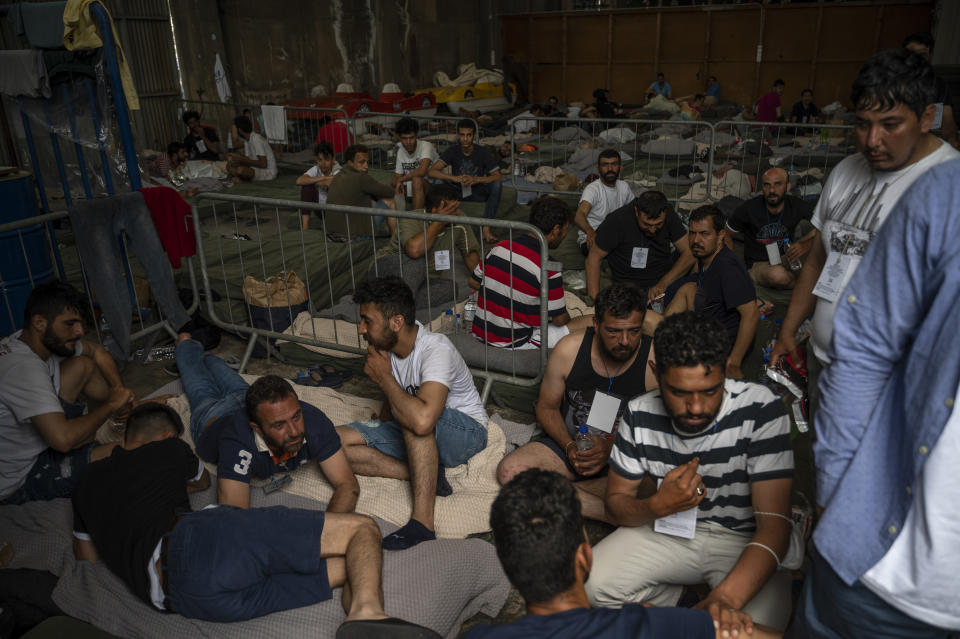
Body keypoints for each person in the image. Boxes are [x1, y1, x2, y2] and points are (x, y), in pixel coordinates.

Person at [70, 403, 438, 637]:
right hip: (195, 545)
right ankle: (367, 614)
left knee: (351, 565)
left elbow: (87, 558)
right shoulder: (169, 448)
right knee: (363, 529)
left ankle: (355, 623)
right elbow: (201, 480)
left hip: (179, 598)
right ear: (167, 436)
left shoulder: (84, 481)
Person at [787, 160, 960, 638]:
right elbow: (862, 348)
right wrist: (837, 490)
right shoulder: (946, 192)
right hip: (876, 568)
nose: (874, 141)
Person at [769, 48, 959, 418]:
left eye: (890, 125)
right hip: (826, 364)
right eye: (862, 124)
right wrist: (789, 330)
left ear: (927, 117)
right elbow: (819, 260)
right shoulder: (845, 171)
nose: (872, 140)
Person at [585, 311, 794, 632]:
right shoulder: (639, 414)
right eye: (680, 392)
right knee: (595, 586)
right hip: (669, 531)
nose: (696, 407)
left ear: (725, 370)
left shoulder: (761, 408)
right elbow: (616, 503)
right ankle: (685, 601)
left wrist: (724, 599)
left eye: (709, 391)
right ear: (657, 371)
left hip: (743, 539)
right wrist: (656, 505)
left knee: (752, 628)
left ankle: (698, 606)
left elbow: (775, 527)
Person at [464, 469, 769, 639]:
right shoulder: (646, 628)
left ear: (509, 566)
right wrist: (682, 622)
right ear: (585, 557)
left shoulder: (477, 637)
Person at [337, 277, 488, 550]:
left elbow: (421, 419)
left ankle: (422, 525)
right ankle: (425, 474)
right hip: (421, 431)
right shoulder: (387, 351)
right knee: (333, 444)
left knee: (414, 420)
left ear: (396, 322)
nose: (361, 329)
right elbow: (393, 404)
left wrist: (384, 379)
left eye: (367, 321)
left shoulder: (436, 348)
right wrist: (379, 426)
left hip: (466, 432)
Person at [496, 284, 657, 522]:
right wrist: (569, 446)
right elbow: (546, 407)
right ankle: (610, 511)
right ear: (596, 324)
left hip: (624, 458)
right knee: (510, 472)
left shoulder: (654, 361)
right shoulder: (569, 350)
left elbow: (660, 434)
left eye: (634, 331)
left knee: (659, 482)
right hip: (571, 448)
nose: (624, 341)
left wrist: (612, 448)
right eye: (613, 331)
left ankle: (557, 497)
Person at [172, 332, 359, 511]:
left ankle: (206, 355)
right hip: (212, 415)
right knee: (195, 375)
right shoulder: (238, 443)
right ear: (257, 429)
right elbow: (233, 515)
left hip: (246, 398)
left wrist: (330, 533)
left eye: (296, 417)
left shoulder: (311, 418)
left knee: (215, 363)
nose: (294, 431)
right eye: (279, 425)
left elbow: (347, 484)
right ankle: (185, 343)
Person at [0, 281, 135, 505]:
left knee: (82, 364)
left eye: (80, 324)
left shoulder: (26, 340)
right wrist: (111, 405)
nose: (80, 331)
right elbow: (62, 441)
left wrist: (121, 392)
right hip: (21, 478)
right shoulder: (23, 369)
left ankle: (93, 429)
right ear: (40, 322)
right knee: (134, 449)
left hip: (40, 441)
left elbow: (97, 351)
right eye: (70, 324)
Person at [470, 196, 591, 349]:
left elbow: (473, 282)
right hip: (514, 342)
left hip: (480, 332)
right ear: (555, 230)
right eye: (566, 229)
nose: (565, 234)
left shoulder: (500, 247)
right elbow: (560, 320)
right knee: (590, 320)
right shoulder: (549, 267)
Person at [659, 206, 758, 379]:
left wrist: (734, 362)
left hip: (717, 345)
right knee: (688, 289)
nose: (696, 240)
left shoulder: (727, 267)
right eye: (692, 233)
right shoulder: (706, 258)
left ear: (720, 236)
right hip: (708, 323)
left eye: (704, 234)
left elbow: (752, 314)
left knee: (648, 321)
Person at [586, 191, 694, 303]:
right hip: (630, 287)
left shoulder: (669, 214)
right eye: (647, 224)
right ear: (637, 211)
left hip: (663, 280)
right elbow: (593, 259)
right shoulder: (617, 220)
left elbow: (689, 252)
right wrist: (594, 303)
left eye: (658, 224)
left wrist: (662, 284)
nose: (652, 230)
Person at [726, 167, 816, 289]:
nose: (772, 190)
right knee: (778, 275)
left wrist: (807, 244)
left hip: (787, 257)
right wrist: (732, 266)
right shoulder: (748, 208)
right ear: (762, 187)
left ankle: (802, 280)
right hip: (759, 264)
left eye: (777, 184)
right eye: (767, 185)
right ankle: (804, 284)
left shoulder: (796, 205)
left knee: (818, 237)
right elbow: (725, 234)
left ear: (787, 187)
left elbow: (825, 226)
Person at [429, 119, 503, 244]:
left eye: (469, 135)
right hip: (457, 191)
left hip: (477, 190)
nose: (465, 139)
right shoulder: (453, 150)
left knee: (496, 185)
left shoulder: (483, 151)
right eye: (462, 135)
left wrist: (476, 179)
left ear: (474, 135)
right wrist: (454, 178)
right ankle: (437, 225)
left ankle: (486, 228)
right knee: (438, 183)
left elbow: (498, 176)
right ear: (458, 135)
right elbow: (432, 171)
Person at [387, 182, 481, 277]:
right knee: (414, 270)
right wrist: (439, 222)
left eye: (456, 208)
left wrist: (482, 281)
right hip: (394, 269)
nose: (456, 213)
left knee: (449, 288)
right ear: (434, 210)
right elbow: (414, 251)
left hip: (428, 278)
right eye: (451, 209)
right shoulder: (411, 218)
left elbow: (469, 254)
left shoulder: (459, 218)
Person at [327, 144, 397, 236]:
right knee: (389, 201)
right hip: (352, 236)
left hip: (331, 234)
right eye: (361, 162)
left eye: (367, 162)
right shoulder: (361, 177)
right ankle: (395, 241)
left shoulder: (338, 175)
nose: (366, 166)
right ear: (350, 163)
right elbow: (390, 192)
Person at [903, 32, 959, 149]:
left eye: (922, 55)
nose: (917, 59)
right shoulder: (891, 81)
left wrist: (952, 139)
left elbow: (947, 119)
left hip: (929, 139)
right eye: (911, 54)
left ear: (929, 56)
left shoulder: (938, 84)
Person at [572, 149, 633, 255]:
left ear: (621, 168)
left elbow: (635, 208)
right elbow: (579, 215)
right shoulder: (593, 189)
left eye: (614, 164)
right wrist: (590, 232)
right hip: (594, 239)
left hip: (616, 237)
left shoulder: (624, 186)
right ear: (598, 169)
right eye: (605, 165)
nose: (610, 169)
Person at [392, 117, 438, 211]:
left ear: (416, 136)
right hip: (413, 189)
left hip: (435, 190)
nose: (408, 142)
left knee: (417, 179)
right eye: (404, 138)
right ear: (399, 137)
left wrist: (401, 179)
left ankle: (415, 221)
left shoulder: (426, 146)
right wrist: (396, 182)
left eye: (411, 138)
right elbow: (397, 176)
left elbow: (421, 171)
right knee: (391, 184)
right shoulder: (400, 151)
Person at [297, 141, 342, 230]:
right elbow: (299, 181)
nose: (323, 163)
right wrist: (323, 178)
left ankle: (332, 224)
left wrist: (313, 181)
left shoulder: (338, 170)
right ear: (316, 160)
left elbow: (331, 182)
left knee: (332, 187)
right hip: (321, 210)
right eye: (320, 160)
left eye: (327, 159)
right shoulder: (316, 169)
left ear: (333, 160)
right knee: (307, 187)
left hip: (336, 211)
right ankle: (305, 227)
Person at [225, 115, 277, 183]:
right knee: (229, 166)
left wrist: (242, 160)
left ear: (240, 130)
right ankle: (242, 178)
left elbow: (264, 164)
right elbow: (248, 160)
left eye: (234, 129)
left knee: (240, 170)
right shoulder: (247, 140)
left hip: (268, 172)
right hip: (256, 168)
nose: (233, 131)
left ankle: (243, 179)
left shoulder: (256, 139)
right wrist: (237, 159)